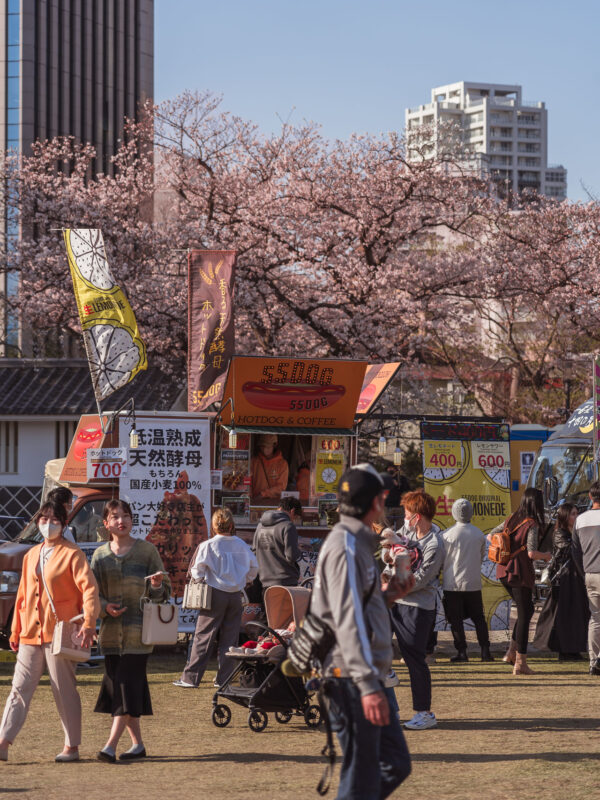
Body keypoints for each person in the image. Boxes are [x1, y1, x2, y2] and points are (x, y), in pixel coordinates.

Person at [311, 464, 413, 799]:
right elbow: (347, 620)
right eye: (382, 495)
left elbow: (358, 609)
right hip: (349, 677)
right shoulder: (346, 547)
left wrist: (389, 597)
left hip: (360, 673)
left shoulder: (357, 544)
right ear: (375, 504)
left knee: (394, 764)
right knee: (361, 777)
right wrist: (368, 687)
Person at [0, 500, 99, 763]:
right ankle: (3, 742)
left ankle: (72, 746)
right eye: (43, 519)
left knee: (63, 688)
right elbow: (22, 595)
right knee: (19, 687)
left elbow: (89, 589)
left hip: (61, 632)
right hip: (30, 632)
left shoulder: (73, 553)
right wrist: (15, 630)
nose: (47, 524)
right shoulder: (31, 553)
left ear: (64, 524)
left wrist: (89, 623)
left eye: (54, 520)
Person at [91, 499, 171, 762]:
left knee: (125, 686)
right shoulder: (100, 556)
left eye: (125, 516)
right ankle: (138, 746)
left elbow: (165, 592)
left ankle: (110, 746)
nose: (121, 521)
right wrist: (104, 607)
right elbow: (92, 594)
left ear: (132, 520)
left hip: (140, 634)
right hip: (111, 636)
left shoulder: (147, 551)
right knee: (124, 689)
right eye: (115, 517)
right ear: (106, 524)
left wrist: (158, 585)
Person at [173, 508, 258, 689]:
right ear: (231, 524)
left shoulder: (208, 545)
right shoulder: (242, 545)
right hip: (236, 595)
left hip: (214, 593)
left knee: (204, 636)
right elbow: (254, 568)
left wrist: (203, 579)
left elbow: (197, 571)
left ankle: (190, 678)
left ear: (214, 525)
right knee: (230, 639)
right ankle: (224, 680)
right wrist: (244, 581)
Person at [384, 489, 444, 730]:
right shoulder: (405, 532)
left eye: (408, 514)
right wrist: (389, 554)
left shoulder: (435, 543)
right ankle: (386, 670)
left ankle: (425, 712)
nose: (404, 518)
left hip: (418, 607)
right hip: (395, 601)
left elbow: (419, 579)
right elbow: (387, 553)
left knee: (414, 660)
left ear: (417, 516)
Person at [488, 487, 551, 675]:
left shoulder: (512, 517)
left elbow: (490, 535)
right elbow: (531, 553)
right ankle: (521, 663)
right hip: (519, 572)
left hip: (503, 570)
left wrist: (507, 548)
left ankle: (510, 653)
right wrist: (546, 555)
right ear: (537, 503)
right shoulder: (531, 523)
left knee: (527, 609)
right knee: (524, 614)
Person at [533, 503, 589, 661]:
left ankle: (574, 648)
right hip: (565, 578)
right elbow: (569, 549)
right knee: (564, 614)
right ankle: (564, 650)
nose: (576, 516)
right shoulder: (560, 533)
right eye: (572, 514)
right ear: (565, 516)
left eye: (577, 513)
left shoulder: (575, 532)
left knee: (577, 613)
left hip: (576, 576)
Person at [442, 498, 493, 662]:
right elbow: (480, 557)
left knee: (455, 620)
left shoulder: (446, 535)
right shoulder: (479, 534)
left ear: (454, 513)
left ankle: (462, 652)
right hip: (473, 582)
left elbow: (442, 559)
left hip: (452, 583)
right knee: (479, 619)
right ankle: (485, 651)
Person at [571, 480, 600, 675]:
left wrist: (584, 573)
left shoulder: (580, 520)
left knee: (595, 618)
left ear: (590, 497)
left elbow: (575, 551)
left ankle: (593, 661)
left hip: (590, 574)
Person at [253, 496, 302, 589]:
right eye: (295, 518)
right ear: (292, 511)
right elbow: (291, 556)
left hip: (264, 582)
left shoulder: (260, 526)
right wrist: (298, 549)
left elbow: (254, 551)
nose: (293, 520)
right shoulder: (288, 526)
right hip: (286, 582)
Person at [251, 434, 289, 503]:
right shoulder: (254, 461)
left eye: (268, 447)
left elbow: (281, 487)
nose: (265, 449)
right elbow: (248, 482)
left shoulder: (282, 464)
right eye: (262, 446)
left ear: (274, 445)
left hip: (274, 503)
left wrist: (263, 494)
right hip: (255, 502)